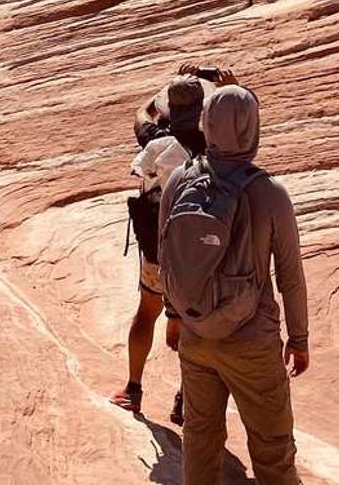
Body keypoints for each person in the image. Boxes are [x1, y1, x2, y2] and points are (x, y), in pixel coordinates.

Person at [160, 78, 308, 485]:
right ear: (252, 128)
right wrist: (299, 339)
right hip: (251, 340)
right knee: (272, 448)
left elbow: (166, 254)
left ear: (206, 123)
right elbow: (290, 275)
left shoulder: (179, 181)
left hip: (196, 333)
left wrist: (174, 315)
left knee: (200, 440)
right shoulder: (270, 193)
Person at [110, 75, 204, 419]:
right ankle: (185, 399)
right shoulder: (212, 143)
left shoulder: (155, 141)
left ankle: (133, 389)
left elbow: (140, 115)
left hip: (157, 251)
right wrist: (227, 86)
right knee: (195, 326)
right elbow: (246, 120)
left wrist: (161, 93)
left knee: (147, 313)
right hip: (198, 255)